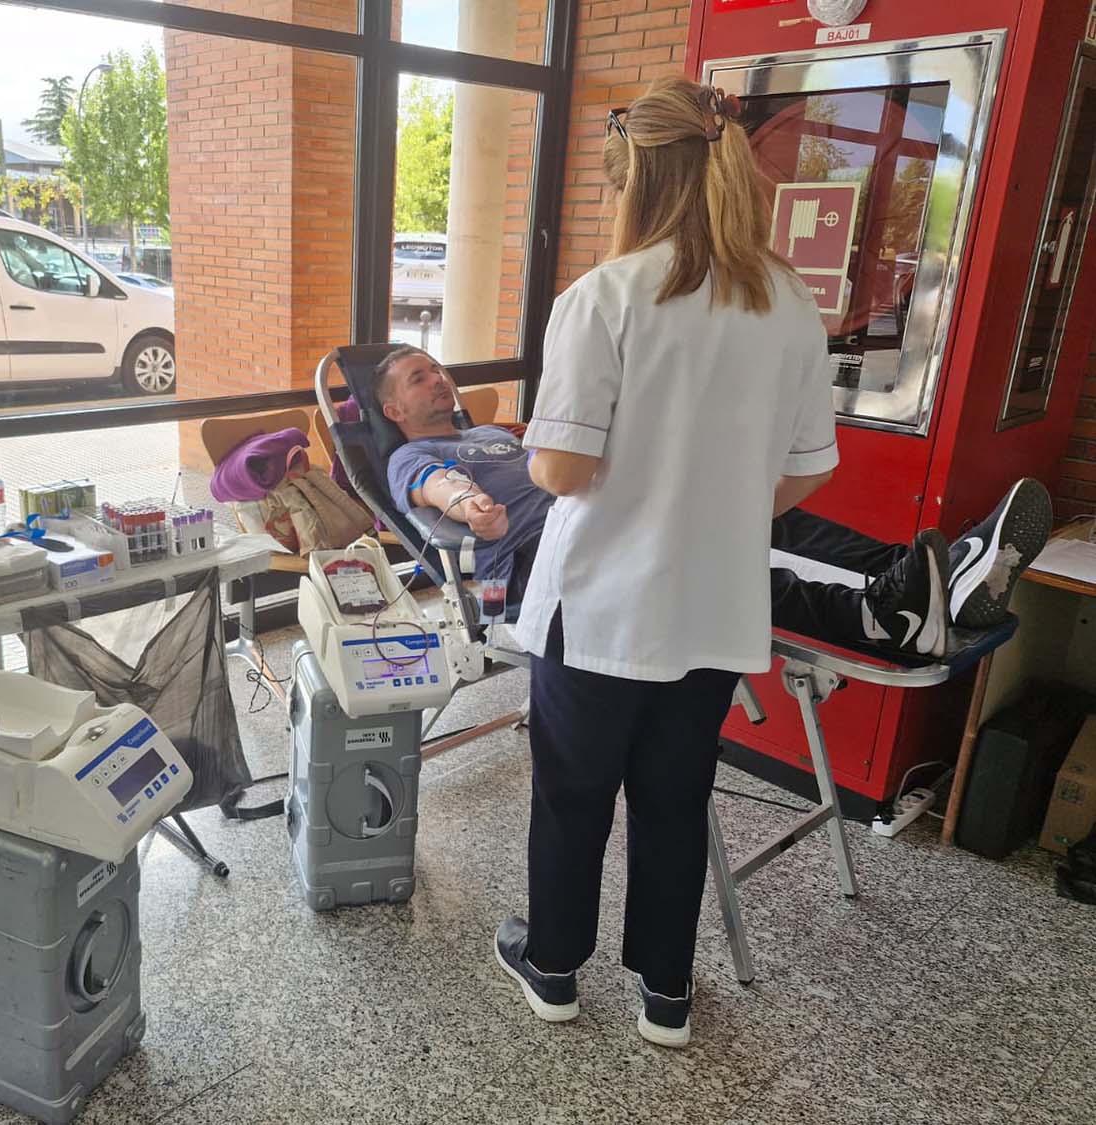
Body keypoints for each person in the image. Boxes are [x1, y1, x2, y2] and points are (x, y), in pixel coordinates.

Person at [388, 76, 1050, 1049]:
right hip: (714, 601)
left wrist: (606, 477)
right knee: (674, 797)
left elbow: (562, 468)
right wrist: (706, 505)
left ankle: (555, 968)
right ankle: (666, 993)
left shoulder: (603, 297)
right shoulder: (784, 300)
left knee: (574, 796)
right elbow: (798, 478)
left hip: (603, 605)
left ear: (636, 181)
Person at [377, 343, 1051, 657]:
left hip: (600, 519)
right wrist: (472, 508)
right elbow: (438, 489)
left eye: (437, 368)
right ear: (392, 406)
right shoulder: (411, 455)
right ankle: (880, 615)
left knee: (750, 504)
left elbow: (564, 459)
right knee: (711, 569)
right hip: (537, 566)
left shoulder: (496, 432)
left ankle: (923, 573)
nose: (438, 380)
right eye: (418, 377)